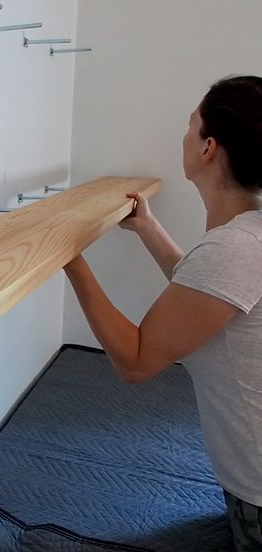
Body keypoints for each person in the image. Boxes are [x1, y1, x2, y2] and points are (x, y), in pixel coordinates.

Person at [63, 75, 262, 551]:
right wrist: (150, 228)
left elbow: (135, 360)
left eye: (190, 126)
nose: (186, 135)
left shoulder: (234, 250)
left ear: (209, 148)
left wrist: (70, 259)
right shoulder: (244, 239)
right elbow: (202, 298)